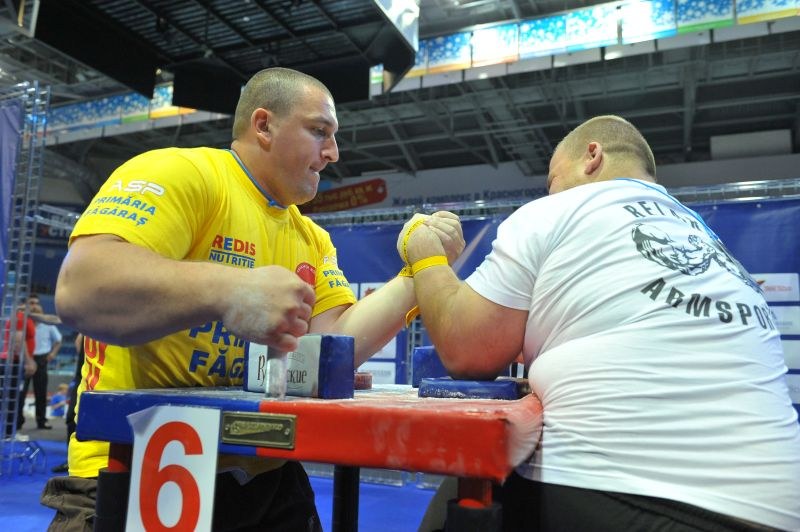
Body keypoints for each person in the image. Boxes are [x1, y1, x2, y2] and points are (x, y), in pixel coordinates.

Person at [42, 67, 464, 531]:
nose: (333, 152)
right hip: (137, 462)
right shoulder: (182, 173)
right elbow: (81, 287)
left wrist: (418, 272)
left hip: (259, 467)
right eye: (319, 131)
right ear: (263, 125)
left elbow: (332, 346)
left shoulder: (312, 237)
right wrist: (227, 290)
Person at [403, 115, 800, 531]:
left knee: (469, 493)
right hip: (777, 507)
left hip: (638, 493)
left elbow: (466, 349)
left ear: (592, 156)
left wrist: (424, 252)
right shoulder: (700, 233)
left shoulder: (560, 209)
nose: (550, 191)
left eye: (552, 179)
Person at [19, 294, 63, 430]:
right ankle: (17, 421)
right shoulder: (23, 321)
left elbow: (58, 340)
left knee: (41, 392)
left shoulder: (47, 323)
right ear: (25, 305)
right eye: (31, 303)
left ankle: (41, 421)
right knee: (21, 392)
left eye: (37, 303)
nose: (34, 306)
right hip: (26, 359)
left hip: (42, 359)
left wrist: (52, 354)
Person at [1, 301, 36, 437]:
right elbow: (18, 341)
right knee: (13, 399)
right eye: (31, 303)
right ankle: (9, 434)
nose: (34, 306)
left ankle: (9, 432)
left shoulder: (26, 318)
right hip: (15, 362)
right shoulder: (21, 317)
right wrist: (28, 362)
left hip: (13, 362)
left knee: (13, 398)